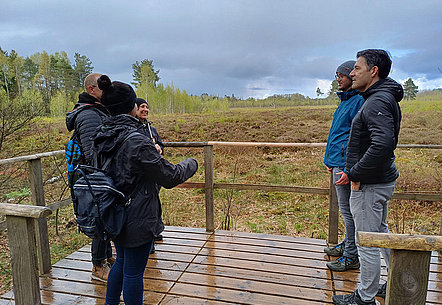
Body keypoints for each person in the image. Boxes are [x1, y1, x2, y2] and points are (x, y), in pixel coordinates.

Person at [93, 75, 198, 305]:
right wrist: (191, 163)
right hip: (137, 215)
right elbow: (170, 176)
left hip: (113, 211)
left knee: (121, 262)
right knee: (133, 272)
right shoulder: (137, 140)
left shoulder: (103, 135)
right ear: (131, 106)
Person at [332, 49, 403, 305]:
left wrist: (354, 172)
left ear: (373, 71)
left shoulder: (376, 102)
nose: (352, 73)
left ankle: (365, 297)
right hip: (380, 180)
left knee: (367, 242)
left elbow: (383, 143)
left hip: (370, 185)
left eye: (357, 69)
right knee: (379, 233)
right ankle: (396, 280)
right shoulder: (380, 97)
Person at [66, 72, 114, 282]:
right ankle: (97, 266)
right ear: (91, 90)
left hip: (96, 177)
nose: (108, 90)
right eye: (103, 86)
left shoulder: (98, 111)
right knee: (99, 219)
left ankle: (108, 258)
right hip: (93, 179)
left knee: (106, 218)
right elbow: (93, 152)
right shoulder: (88, 115)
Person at [323, 61, 365, 272]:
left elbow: (355, 138)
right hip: (338, 163)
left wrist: (347, 167)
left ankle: (351, 255)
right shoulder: (345, 100)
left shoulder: (357, 101)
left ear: (351, 76)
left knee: (349, 212)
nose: (338, 78)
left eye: (341, 75)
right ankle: (348, 245)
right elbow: (337, 135)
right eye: (336, 74)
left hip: (346, 165)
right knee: (345, 209)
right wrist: (329, 161)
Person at [135, 97, 165, 251]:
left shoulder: (150, 128)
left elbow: (160, 144)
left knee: (154, 202)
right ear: (135, 108)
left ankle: (156, 231)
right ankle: (148, 241)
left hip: (154, 171)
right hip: (141, 174)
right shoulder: (133, 128)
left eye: (147, 107)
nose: (145, 110)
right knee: (145, 207)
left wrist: (159, 147)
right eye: (142, 107)